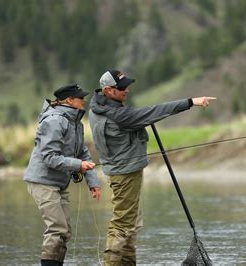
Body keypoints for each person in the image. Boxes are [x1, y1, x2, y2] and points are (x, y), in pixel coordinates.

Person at [89, 69, 216, 265]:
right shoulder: (118, 114)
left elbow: (137, 116)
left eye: (127, 86)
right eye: (122, 88)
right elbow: (148, 113)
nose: (127, 90)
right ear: (108, 90)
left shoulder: (99, 106)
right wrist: (191, 102)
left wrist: (141, 117)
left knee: (130, 225)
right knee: (122, 226)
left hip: (121, 171)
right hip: (125, 174)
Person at [24, 84, 102, 266]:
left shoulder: (75, 123)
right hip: (42, 182)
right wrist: (78, 165)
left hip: (59, 183)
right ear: (69, 101)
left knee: (64, 231)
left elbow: (83, 152)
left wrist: (93, 183)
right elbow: (50, 157)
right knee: (57, 228)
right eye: (80, 98)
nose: (84, 101)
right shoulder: (53, 121)